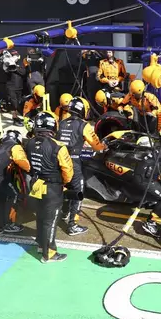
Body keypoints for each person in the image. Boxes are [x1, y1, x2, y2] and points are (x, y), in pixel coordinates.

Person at [25, 112, 74, 263]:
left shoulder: (29, 143)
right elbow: (68, 172)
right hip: (53, 187)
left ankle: (41, 244)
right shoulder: (58, 146)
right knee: (51, 220)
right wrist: (64, 183)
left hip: (36, 184)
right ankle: (50, 254)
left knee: (40, 215)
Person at [56, 97, 107, 236]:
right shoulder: (83, 125)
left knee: (65, 188)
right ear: (82, 110)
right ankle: (73, 224)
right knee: (78, 190)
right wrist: (104, 147)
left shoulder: (61, 123)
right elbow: (97, 147)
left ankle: (64, 213)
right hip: (73, 162)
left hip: (58, 161)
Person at [1, 49, 26, 126]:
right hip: (11, 86)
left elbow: (23, 72)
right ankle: (14, 118)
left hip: (19, 86)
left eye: (16, 54)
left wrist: (15, 67)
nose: (15, 56)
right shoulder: (7, 62)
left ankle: (18, 117)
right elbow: (5, 71)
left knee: (18, 103)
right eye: (13, 55)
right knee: (13, 103)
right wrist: (10, 65)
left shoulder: (21, 63)